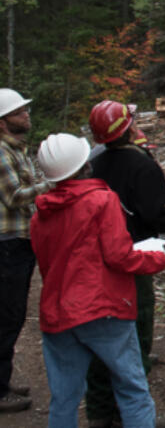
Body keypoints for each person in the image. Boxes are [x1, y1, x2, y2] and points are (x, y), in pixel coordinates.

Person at [31, 133, 165, 428]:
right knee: (132, 389)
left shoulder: (40, 213)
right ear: (84, 165)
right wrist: (157, 258)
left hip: (57, 313)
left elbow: (49, 264)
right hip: (102, 309)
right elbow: (120, 256)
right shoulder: (102, 200)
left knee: (64, 399)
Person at [85, 101, 165, 428]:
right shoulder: (143, 166)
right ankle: (134, 416)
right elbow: (156, 213)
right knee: (136, 328)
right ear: (128, 129)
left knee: (101, 331)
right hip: (134, 255)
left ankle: (99, 411)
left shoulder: (88, 164)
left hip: (94, 258)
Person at [0, 88, 49, 414]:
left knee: (12, 316)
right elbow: (15, 196)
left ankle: (2, 381)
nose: (26, 115)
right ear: (3, 122)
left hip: (16, 244)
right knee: (6, 317)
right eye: (19, 112)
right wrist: (53, 185)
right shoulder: (1, 153)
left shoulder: (15, 150)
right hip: (7, 247)